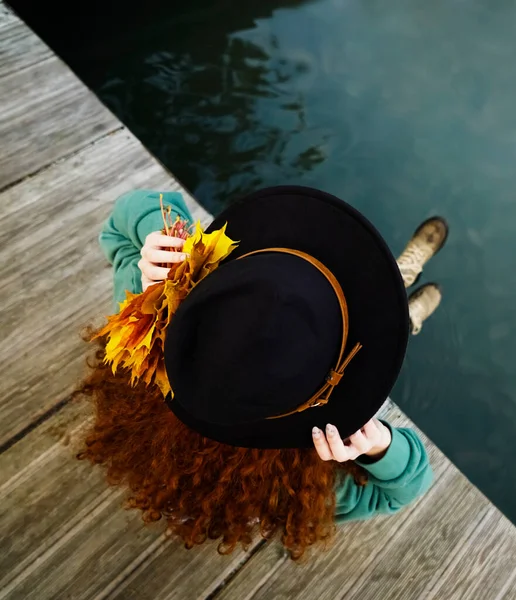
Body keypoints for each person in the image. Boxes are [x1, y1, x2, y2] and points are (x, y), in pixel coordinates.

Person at [75, 186, 448, 559]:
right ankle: (404, 303)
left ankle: (402, 296)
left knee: (375, 327)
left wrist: (155, 255)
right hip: (341, 376)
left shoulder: (135, 344)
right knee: (380, 326)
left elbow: (123, 222)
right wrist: (377, 446)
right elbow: (407, 488)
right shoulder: (302, 482)